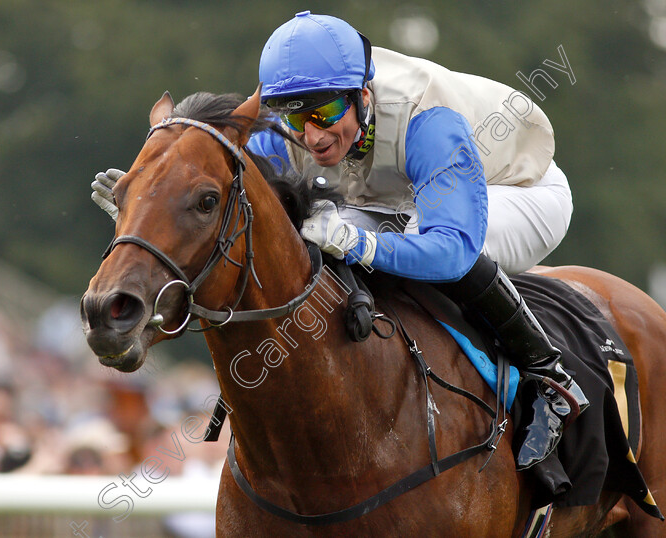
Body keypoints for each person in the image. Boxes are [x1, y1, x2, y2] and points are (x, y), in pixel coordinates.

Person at [90, 12, 587, 470]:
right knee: (326, 228)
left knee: (383, 237)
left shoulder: (428, 123)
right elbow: (230, 206)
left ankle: (549, 376)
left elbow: (453, 251)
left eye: (325, 112)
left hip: (518, 188)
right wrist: (148, 212)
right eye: (293, 116)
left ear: (362, 96)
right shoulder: (290, 128)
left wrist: (361, 244)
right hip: (404, 193)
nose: (311, 135)